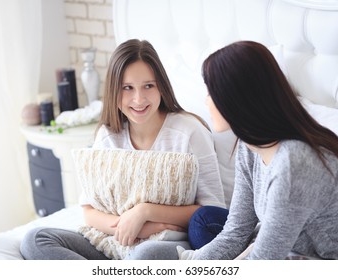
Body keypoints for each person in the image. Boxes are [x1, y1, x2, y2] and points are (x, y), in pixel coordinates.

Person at [20, 39, 225, 260]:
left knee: (143, 256)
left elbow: (212, 210)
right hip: (112, 239)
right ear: (114, 91)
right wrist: (135, 228)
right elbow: (89, 211)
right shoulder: (108, 135)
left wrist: (145, 212)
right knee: (35, 239)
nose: (138, 99)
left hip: (166, 242)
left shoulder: (189, 132)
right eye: (127, 88)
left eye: (148, 86)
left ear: (161, 87)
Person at [178, 40, 338, 260]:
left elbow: (264, 263)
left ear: (235, 97)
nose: (206, 101)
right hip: (290, 249)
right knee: (167, 243)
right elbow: (236, 232)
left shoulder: (295, 162)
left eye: (211, 92)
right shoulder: (249, 146)